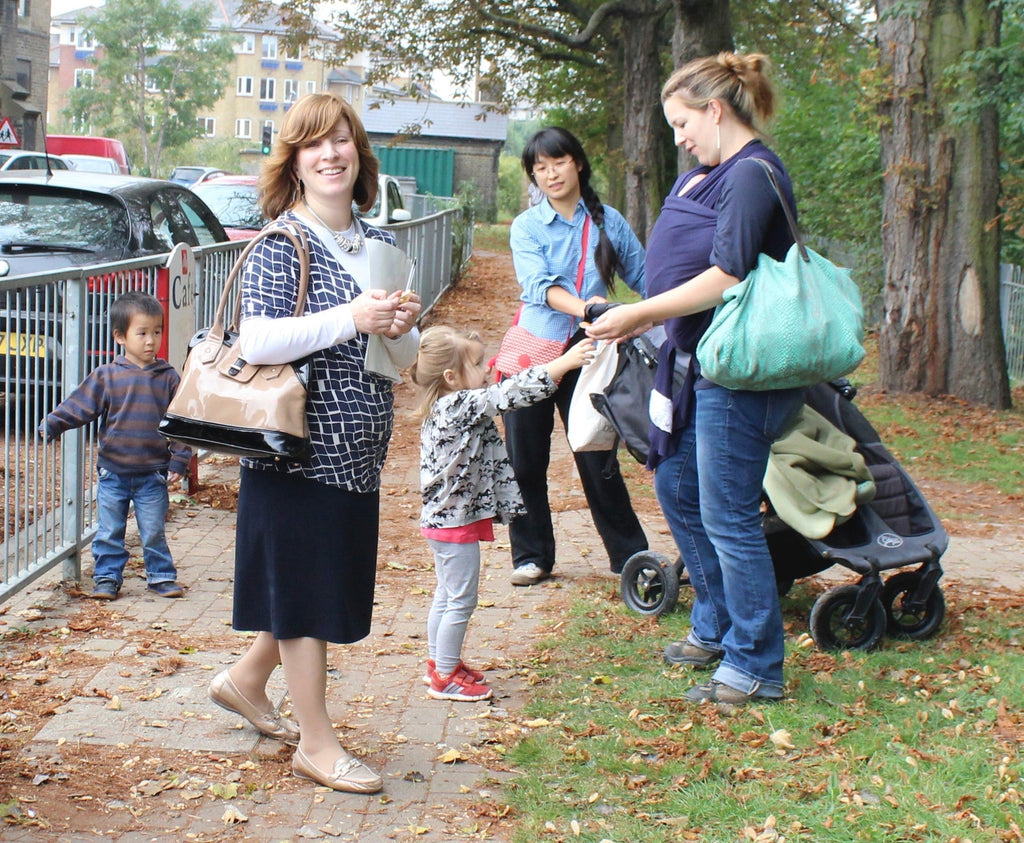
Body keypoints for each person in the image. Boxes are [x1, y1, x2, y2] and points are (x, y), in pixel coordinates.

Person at [207, 93, 421, 794]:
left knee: (312, 586)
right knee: (305, 597)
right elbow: (259, 338)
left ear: (359, 153)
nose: (331, 153)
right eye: (314, 143)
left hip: (356, 453)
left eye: (342, 139)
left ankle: (245, 680)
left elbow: (401, 357)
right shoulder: (283, 241)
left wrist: (399, 329)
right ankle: (316, 743)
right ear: (294, 162)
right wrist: (352, 316)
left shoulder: (378, 245)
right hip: (295, 451)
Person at [587, 53, 806, 706]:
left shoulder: (753, 174)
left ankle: (755, 666)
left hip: (740, 375)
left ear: (715, 110)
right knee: (679, 486)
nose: (679, 138)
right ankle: (715, 625)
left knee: (729, 515)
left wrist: (640, 313)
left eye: (683, 124)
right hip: (698, 366)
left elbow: (728, 273)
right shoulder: (713, 173)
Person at [412, 326, 594, 702]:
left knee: (446, 596)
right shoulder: (459, 405)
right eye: (478, 363)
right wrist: (562, 363)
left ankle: (440, 663)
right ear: (451, 377)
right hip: (453, 523)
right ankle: (445, 676)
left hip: (443, 520)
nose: (487, 368)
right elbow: (510, 393)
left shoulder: (445, 406)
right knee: (461, 600)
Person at [504, 127, 649, 586]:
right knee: (524, 459)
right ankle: (531, 556)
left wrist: (658, 312)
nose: (551, 174)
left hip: (591, 352)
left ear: (579, 164)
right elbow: (539, 287)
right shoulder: (527, 226)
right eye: (540, 168)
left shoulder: (608, 222)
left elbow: (646, 276)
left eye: (559, 162)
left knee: (597, 453)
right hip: (535, 351)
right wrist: (590, 308)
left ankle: (631, 558)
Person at [39, 291, 191, 600]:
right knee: (109, 530)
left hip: (153, 473)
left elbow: (181, 422)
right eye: (142, 333)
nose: (151, 341)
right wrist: (53, 423)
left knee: (153, 530)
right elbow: (79, 405)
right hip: (112, 473)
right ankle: (107, 578)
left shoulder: (169, 378)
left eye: (157, 332)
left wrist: (179, 459)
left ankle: (161, 576)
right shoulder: (107, 376)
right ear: (120, 336)